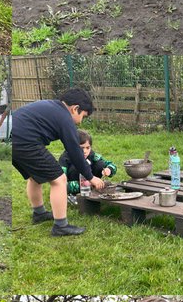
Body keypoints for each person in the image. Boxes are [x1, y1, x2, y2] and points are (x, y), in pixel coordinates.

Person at [10, 88, 106, 237]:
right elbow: (75, 152)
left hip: (10, 140)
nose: (81, 122)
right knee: (59, 180)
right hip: (26, 141)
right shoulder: (65, 117)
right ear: (75, 109)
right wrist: (91, 177)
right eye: (83, 116)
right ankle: (61, 226)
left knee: (34, 177)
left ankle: (39, 213)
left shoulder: (52, 106)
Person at [64, 130, 116, 197]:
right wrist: (83, 184)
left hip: (92, 185)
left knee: (100, 164)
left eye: (88, 148)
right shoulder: (65, 159)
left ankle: (96, 188)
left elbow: (112, 165)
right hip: (76, 187)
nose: (85, 151)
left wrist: (109, 170)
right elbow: (61, 184)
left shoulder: (93, 155)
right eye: (81, 148)